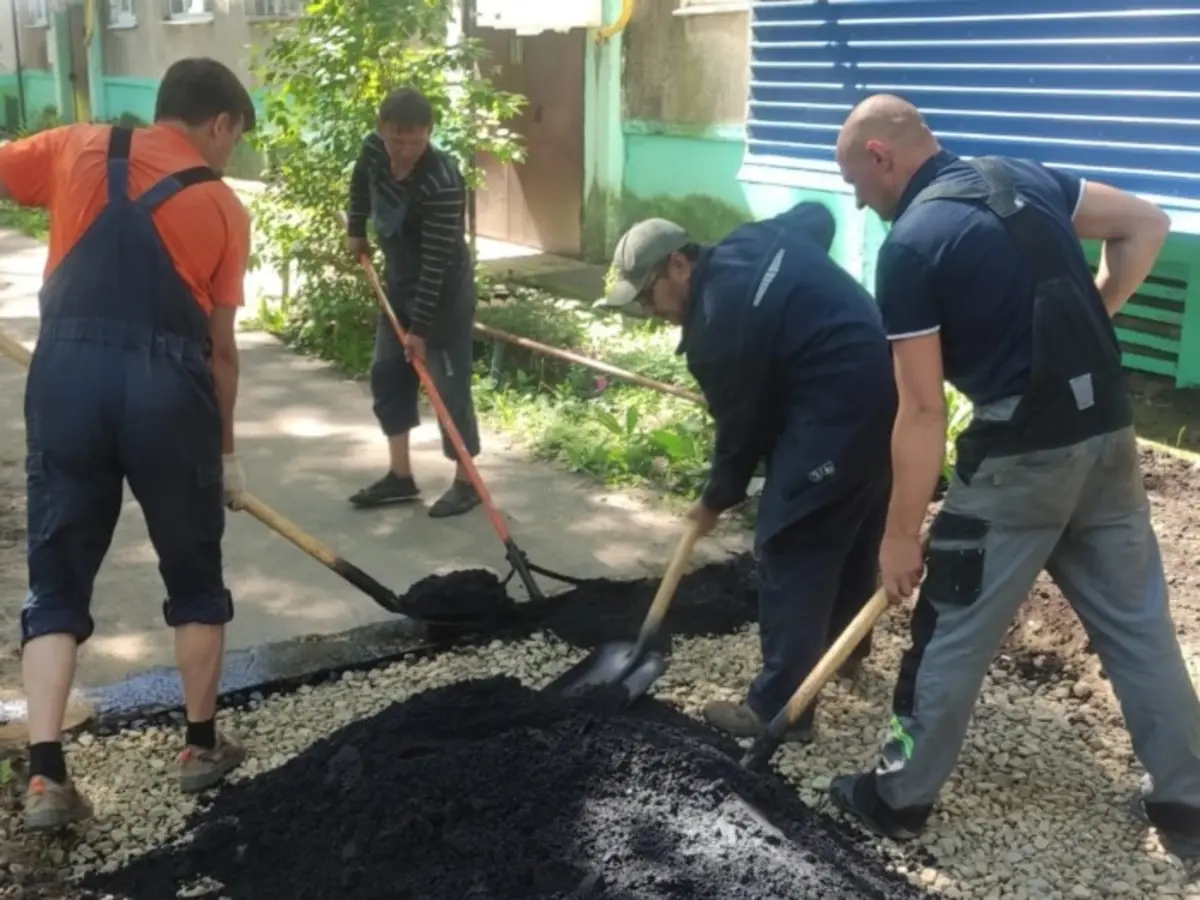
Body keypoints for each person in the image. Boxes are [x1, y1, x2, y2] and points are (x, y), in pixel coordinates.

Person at [828, 93, 1200, 865]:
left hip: (1020, 461)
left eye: (861, 190)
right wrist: (1099, 315)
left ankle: (899, 796)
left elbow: (923, 410)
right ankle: (1188, 800)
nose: (865, 209)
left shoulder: (913, 248)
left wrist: (899, 537)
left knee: (949, 632)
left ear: (880, 157)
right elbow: (1148, 224)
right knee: (1140, 626)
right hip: (1107, 438)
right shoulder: (1022, 178)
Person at [0, 57, 256, 831]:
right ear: (218, 124)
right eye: (234, 139)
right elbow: (222, 350)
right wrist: (225, 453)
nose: (230, 155)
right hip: (167, 395)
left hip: (66, 381)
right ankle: (201, 749)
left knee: (56, 579)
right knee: (194, 571)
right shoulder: (222, 205)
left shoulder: (74, 144)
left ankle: (46, 776)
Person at [595, 204, 897, 743]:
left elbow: (741, 436)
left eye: (647, 294)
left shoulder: (716, 330)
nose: (648, 308)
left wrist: (713, 500)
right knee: (851, 519)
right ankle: (844, 652)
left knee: (789, 540)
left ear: (680, 265)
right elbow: (817, 218)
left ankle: (780, 709)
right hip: (891, 391)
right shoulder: (755, 237)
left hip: (835, 411)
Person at [345, 87, 482, 518]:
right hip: (398, 285)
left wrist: (420, 330)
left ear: (429, 134)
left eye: (416, 142)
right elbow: (359, 183)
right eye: (397, 141)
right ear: (382, 129)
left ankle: (467, 482)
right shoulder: (372, 151)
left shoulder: (442, 181)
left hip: (442, 296)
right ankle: (400, 476)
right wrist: (356, 227)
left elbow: (437, 264)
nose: (405, 152)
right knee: (387, 376)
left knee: (448, 391)